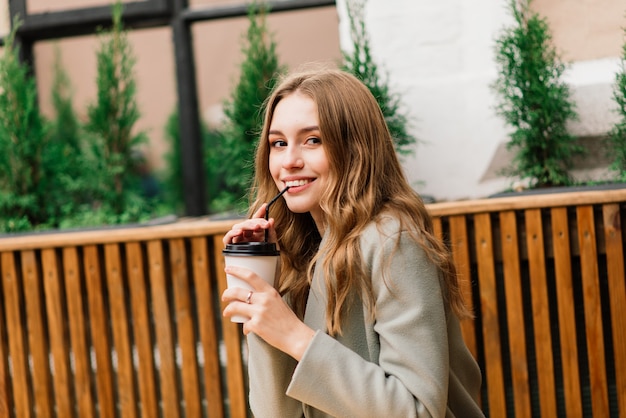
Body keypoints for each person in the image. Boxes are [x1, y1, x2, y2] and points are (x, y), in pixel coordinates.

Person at [221, 68, 484, 417]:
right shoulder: (300, 247)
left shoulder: (393, 238)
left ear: (355, 148)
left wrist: (295, 336)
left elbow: (417, 410)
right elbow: (275, 412)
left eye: (313, 140)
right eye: (278, 143)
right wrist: (268, 292)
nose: (289, 161)